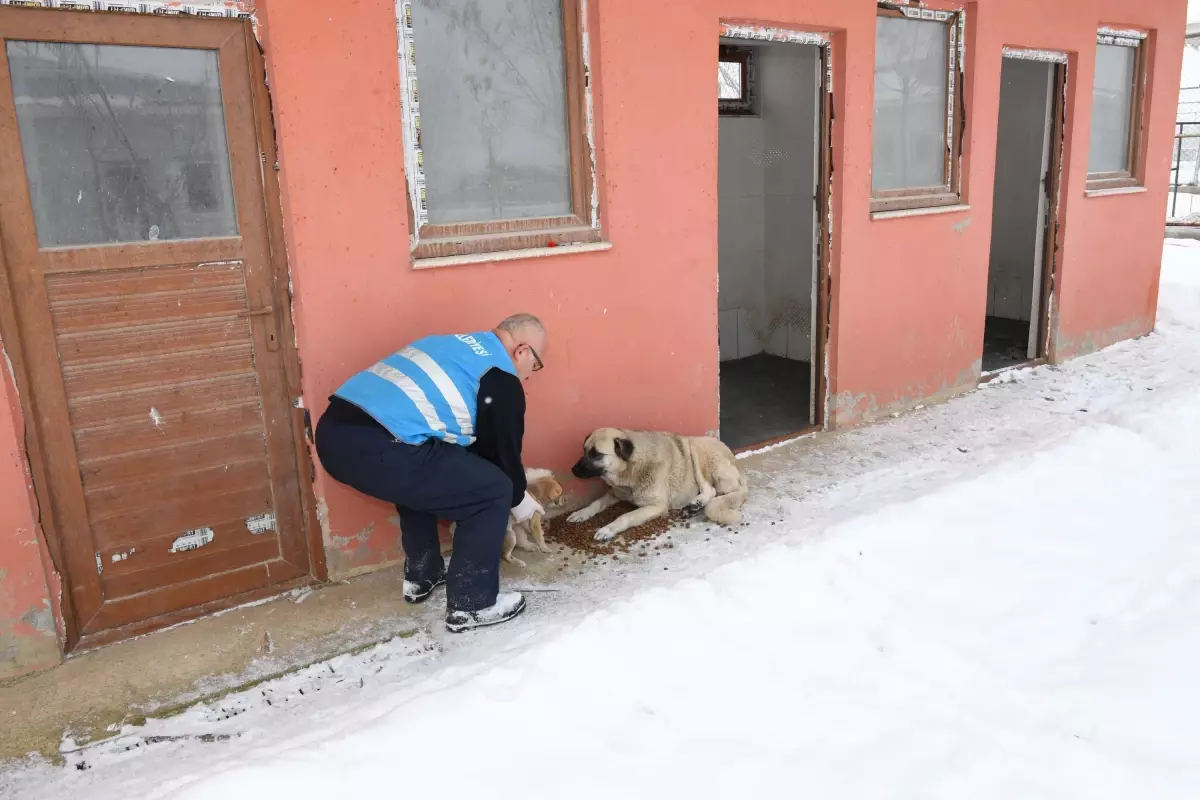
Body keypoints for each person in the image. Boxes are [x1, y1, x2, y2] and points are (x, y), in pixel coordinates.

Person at [314, 314, 548, 632]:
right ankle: (472, 604)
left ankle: (423, 574)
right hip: (382, 445)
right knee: (493, 491)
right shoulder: (500, 377)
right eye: (535, 366)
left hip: (333, 434)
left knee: (429, 473)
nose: (528, 376)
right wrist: (518, 498)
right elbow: (502, 456)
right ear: (522, 351)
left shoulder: (447, 344)